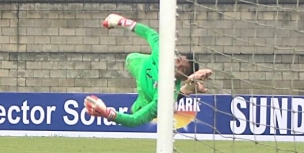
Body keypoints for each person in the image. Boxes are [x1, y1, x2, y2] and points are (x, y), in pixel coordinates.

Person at [84, 14, 213, 127]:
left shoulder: (163, 97)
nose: (176, 66)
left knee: (137, 110)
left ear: (184, 77)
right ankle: (188, 88)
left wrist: (107, 113)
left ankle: (186, 90)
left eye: (182, 69)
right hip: (139, 64)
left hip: (147, 96)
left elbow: (133, 120)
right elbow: (148, 32)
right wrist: (120, 20)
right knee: (129, 58)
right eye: (178, 61)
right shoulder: (162, 51)